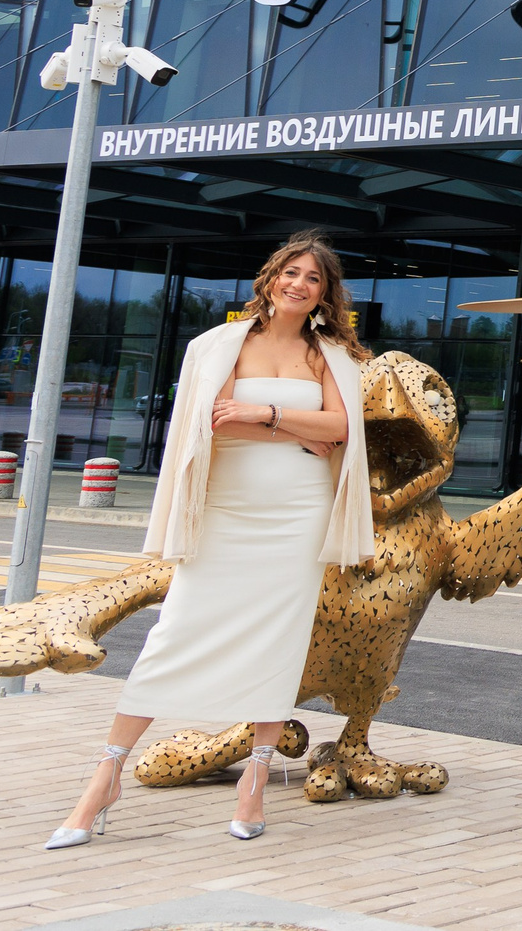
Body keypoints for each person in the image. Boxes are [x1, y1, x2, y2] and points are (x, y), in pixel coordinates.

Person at [43, 233, 375, 850]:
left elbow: (340, 429)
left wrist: (263, 417)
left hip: (298, 512)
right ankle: (105, 776)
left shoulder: (331, 356)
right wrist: (295, 430)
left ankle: (256, 775)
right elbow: (209, 427)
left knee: (280, 638)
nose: (299, 284)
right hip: (226, 507)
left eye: (313, 279)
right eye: (291, 272)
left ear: (326, 295)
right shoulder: (217, 345)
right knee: (176, 632)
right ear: (270, 278)